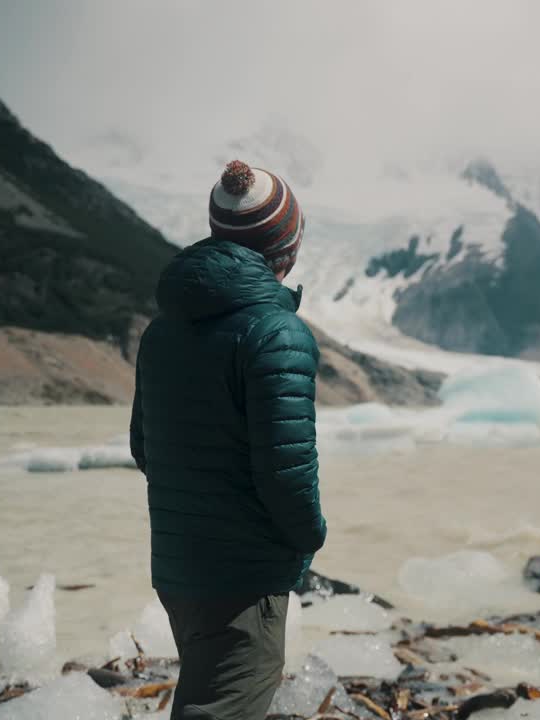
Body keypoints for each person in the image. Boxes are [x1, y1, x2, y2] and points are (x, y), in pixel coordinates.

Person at [129, 160, 327, 719]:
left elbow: (145, 447)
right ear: (284, 247)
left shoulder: (162, 328)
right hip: (244, 578)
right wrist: (308, 539)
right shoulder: (276, 333)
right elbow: (286, 474)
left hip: (178, 564)